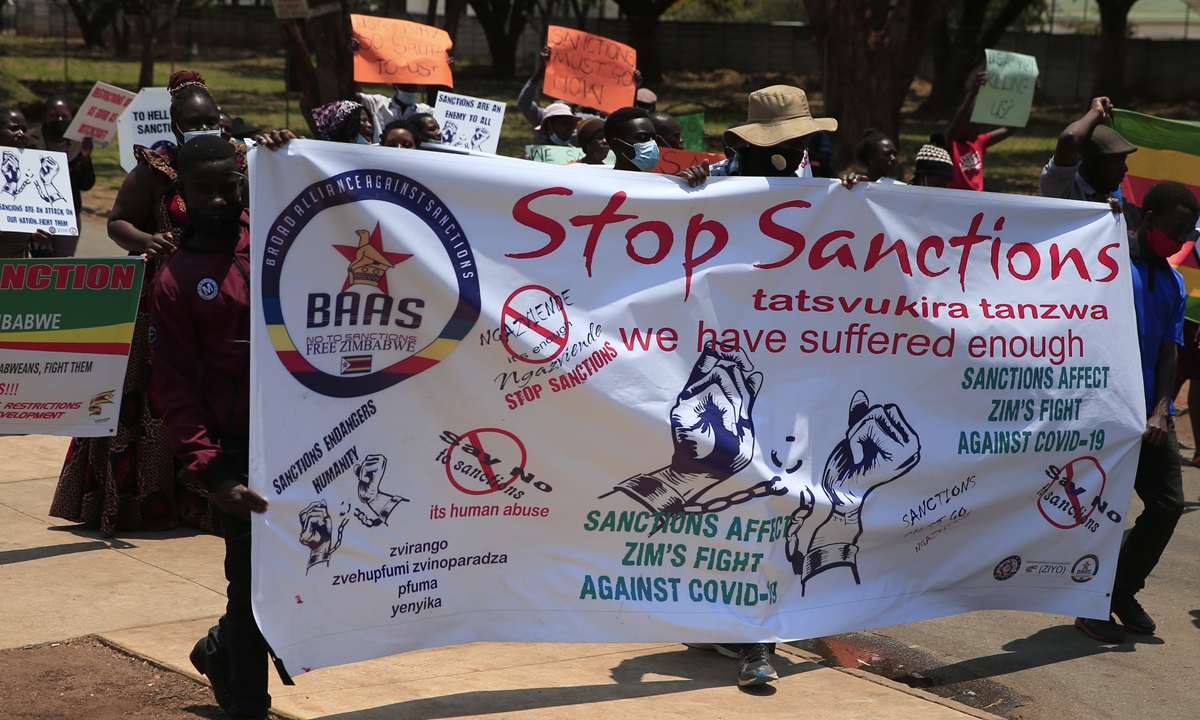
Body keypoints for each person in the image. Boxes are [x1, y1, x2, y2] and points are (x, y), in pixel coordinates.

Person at [149, 134, 273, 719]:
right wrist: (213, 472)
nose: (222, 199)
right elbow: (174, 387)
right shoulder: (175, 281)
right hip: (241, 451)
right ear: (183, 194)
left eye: (232, 186)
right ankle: (248, 703)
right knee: (249, 587)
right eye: (206, 189)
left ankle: (219, 647)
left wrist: (292, 153)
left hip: (316, 436)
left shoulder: (282, 233)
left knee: (320, 569)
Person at [1075, 181, 1200, 643]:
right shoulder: (1107, 266)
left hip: (1148, 416)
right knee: (1098, 511)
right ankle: (1088, 604)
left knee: (1168, 505)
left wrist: (1162, 409)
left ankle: (1120, 591)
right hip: (1101, 408)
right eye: (1175, 228)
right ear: (1147, 221)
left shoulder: (1173, 282)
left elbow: (1170, 350)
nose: (1182, 238)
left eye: (1189, 232)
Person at [710, 85, 836, 179]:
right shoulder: (714, 178)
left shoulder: (799, 188)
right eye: (793, 139)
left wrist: (849, 193)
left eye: (804, 140)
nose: (803, 149)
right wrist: (694, 188)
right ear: (761, 140)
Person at [28, 95, 95, 257]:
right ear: (44, 117)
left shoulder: (78, 145)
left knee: (64, 264)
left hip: (68, 217)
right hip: (37, 214)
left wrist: (86, 157)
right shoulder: (30, 142)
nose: (59, 119)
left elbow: (85, 184)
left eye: (65, 116)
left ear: (72, 118)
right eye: (54, 116)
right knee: (40, 262)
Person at [1040, 97, 1134, 205]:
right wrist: (1096, 113)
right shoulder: (1061, 189)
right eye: (1116, 162)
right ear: (1088, 163)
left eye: (1123, 161)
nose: (1124, 168)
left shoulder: (1106, 193)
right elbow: (1069, 138)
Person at [946, 71, 1016, 191]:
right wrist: (972, 94)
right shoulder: (950, 146)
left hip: (978, 203)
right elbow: (953, 128)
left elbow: (1008, 130)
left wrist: (1028, 98)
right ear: (962, 125)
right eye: (975, 127)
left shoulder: (979, 142)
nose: (979, 131)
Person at [0, 106, 54, 258]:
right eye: (14, 128)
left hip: (17, 265)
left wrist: (42, 234)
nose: (21, 134)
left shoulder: (33, 171)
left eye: (24, 129)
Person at [605, 107, 706, 186]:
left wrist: (681, 183)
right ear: (617, 145)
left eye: (654, 137)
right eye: (642, 137)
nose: (652, 143)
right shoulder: (601, 188)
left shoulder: (663, 185)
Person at [518, 47, 578, 146]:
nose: (568, 128)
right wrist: (542, 69)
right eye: (562, 123)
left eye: (570, 124)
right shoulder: (545, 115)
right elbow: (523, 102)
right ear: (548, 126)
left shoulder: (586, 122)